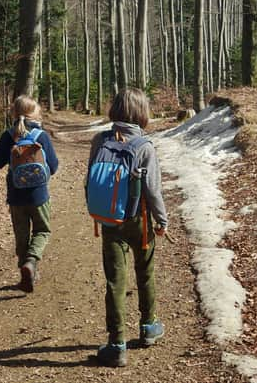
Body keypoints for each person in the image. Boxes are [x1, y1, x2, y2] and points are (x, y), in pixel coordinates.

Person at [87, 88, 168, 367]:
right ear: (141, 112)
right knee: (145, 272)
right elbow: (153, 190)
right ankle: (148, 327)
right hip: (139, 220)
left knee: (115, 281)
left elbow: (90, 180)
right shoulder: (144, 146)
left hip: (110, 220)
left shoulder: (100, 140)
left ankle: (116, 344)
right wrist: (162, 220)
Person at [0, 95, 59, 292]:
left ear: (14, 113)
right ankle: (31, 261)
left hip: (15, 196)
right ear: (35, 114)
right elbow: (53, 167)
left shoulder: (8, 135)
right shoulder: (41, 135)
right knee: (42, 230)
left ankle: (24, 272)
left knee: (21, 235)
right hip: (39, 197)